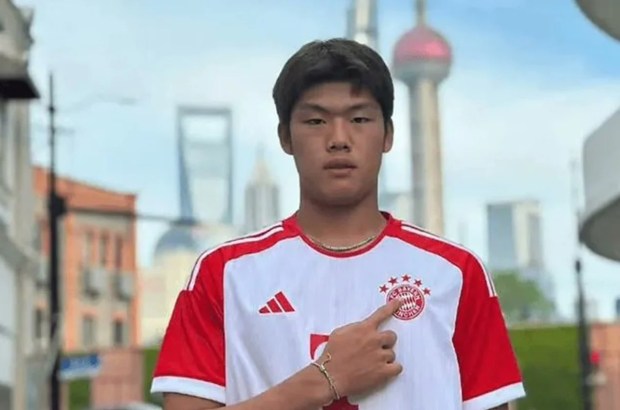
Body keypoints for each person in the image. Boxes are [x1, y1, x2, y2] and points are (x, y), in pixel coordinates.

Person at [150, 38, 526, 410]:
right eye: (316, 121)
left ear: (388, 135)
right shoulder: (223, 274)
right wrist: (326, 380)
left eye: (360, 119)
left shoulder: (456, 272)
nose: (339, 139)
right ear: (285, 138)